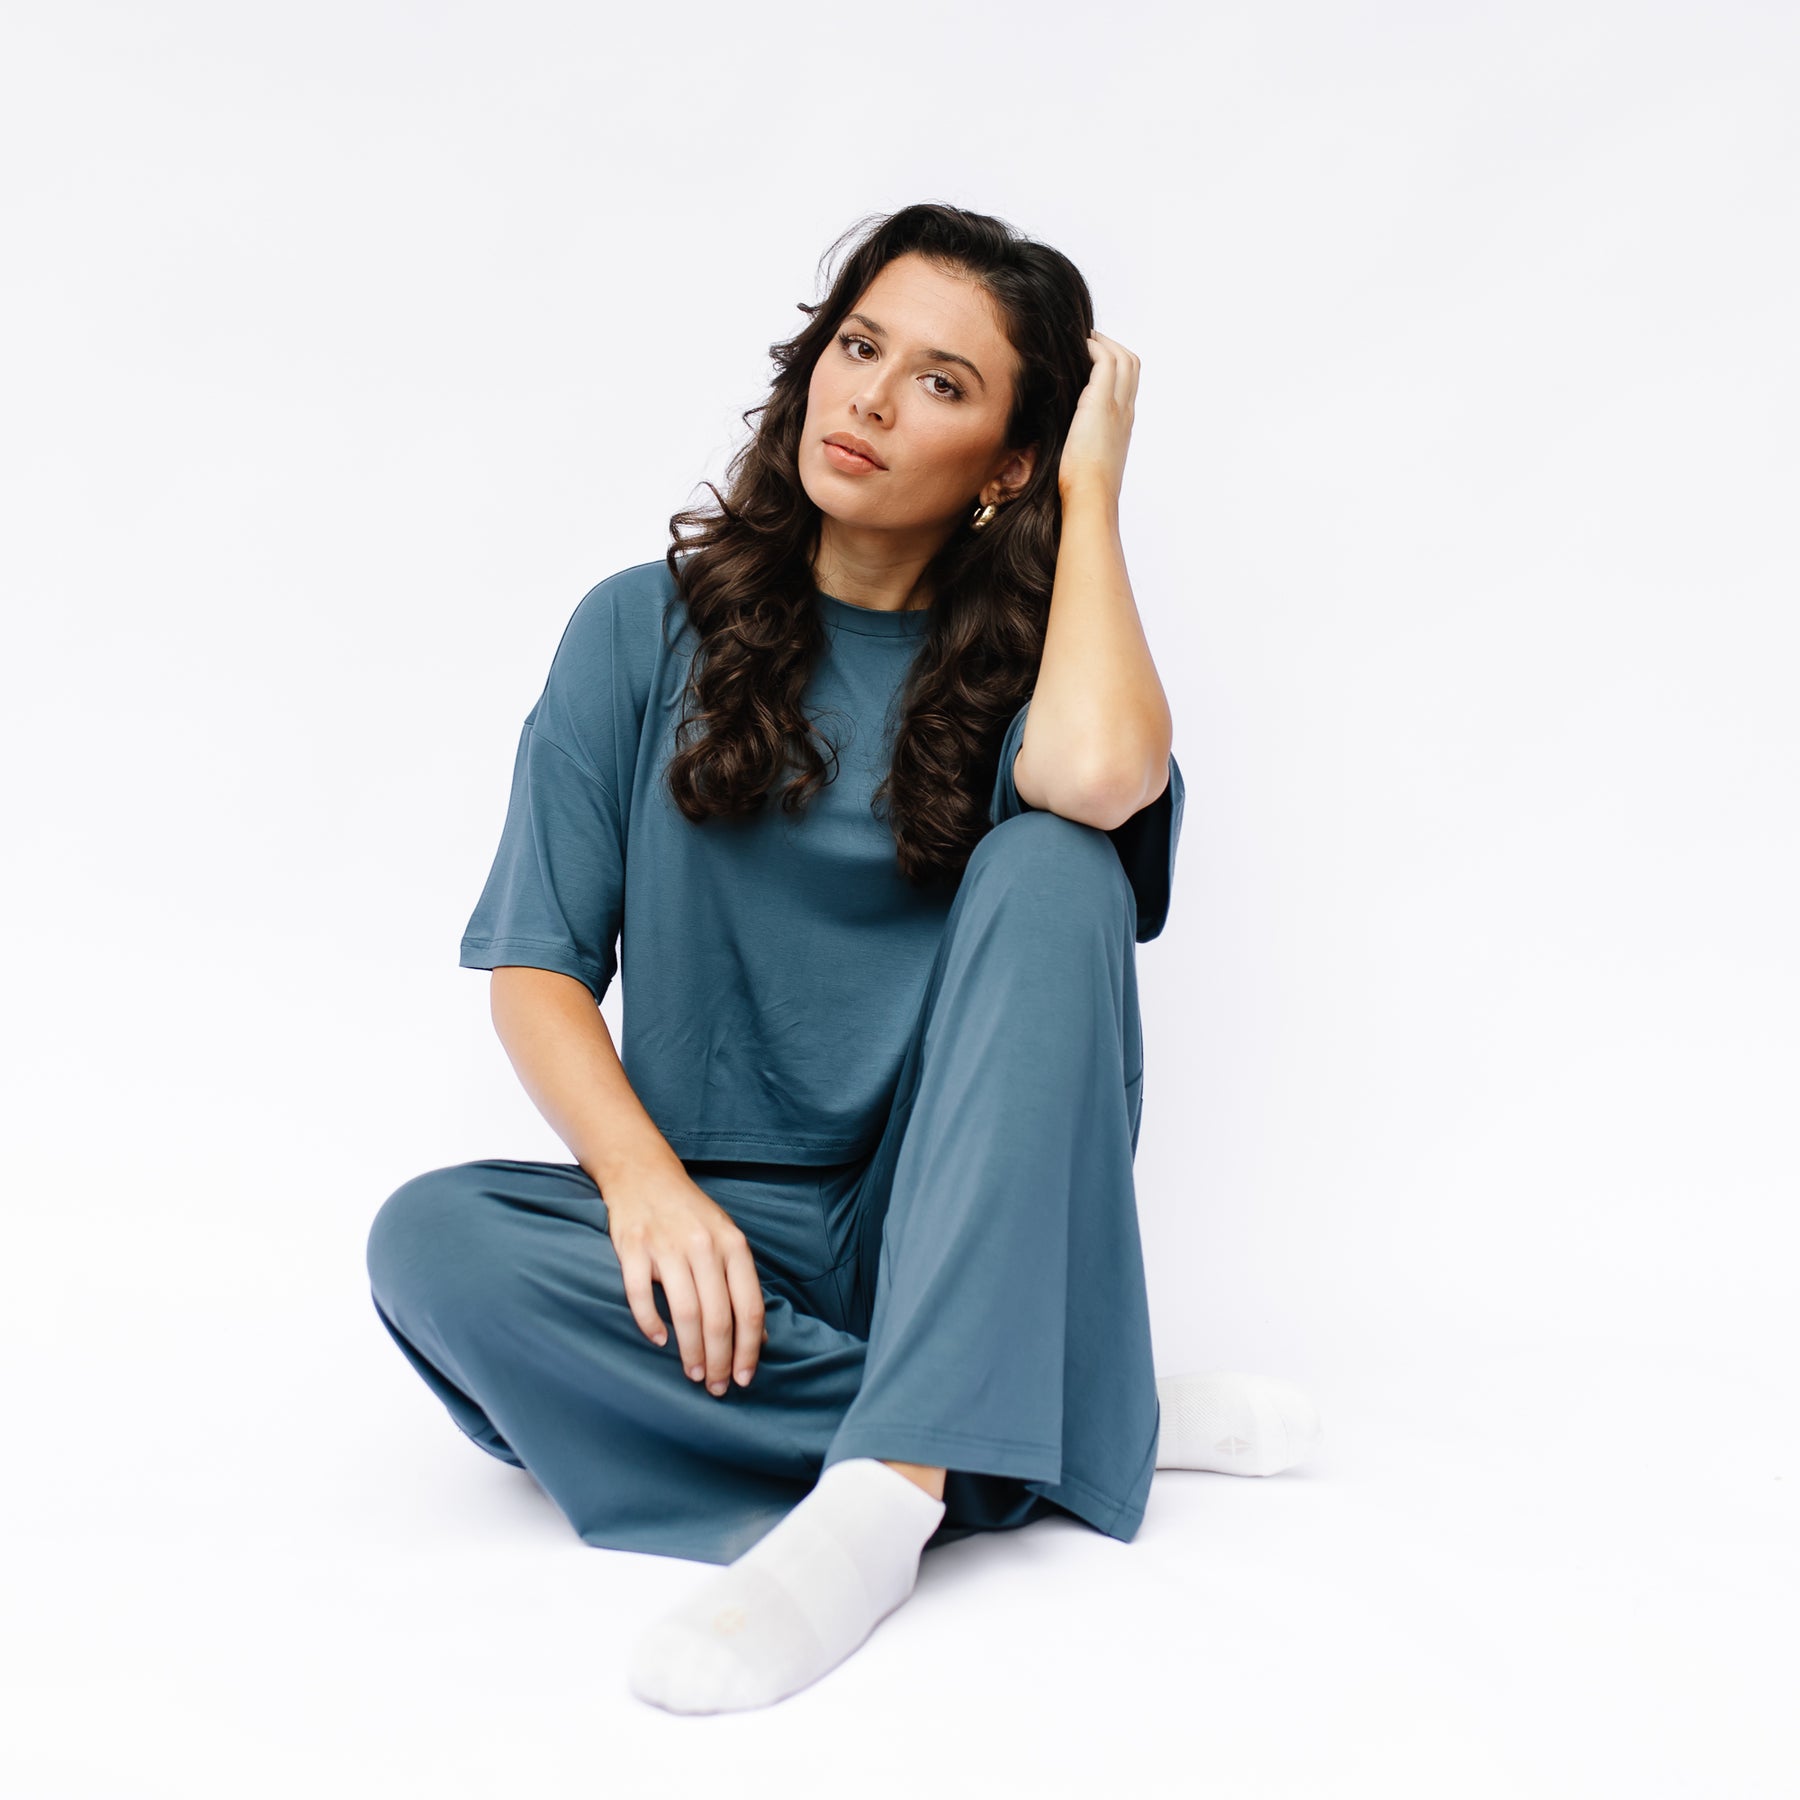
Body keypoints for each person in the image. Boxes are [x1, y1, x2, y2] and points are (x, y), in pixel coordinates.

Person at [364, 201, 1322, 1715]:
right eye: (859, 346)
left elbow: (1094, 779)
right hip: (722, 1251)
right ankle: (1061, 1421)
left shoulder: (1036, 680)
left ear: (1011, 460)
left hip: (942, 1226)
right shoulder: (637, 631)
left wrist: (1098, 492)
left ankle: (883, 1496)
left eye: (943, 381)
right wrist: (647, 1187)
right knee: (432, 1245)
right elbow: (536, 969)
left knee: (1058, 859)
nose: (870, 397)